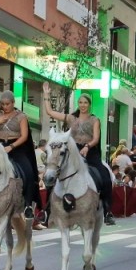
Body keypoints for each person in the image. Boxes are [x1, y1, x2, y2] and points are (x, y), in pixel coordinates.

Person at [43, 83, 116, 225]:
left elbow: (95, 138)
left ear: (89, 104)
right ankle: (47, 211)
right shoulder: (71, 118)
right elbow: (50, 113)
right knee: (54, 175)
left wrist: (87, 146)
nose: (83, 105)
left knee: (105, 176)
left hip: (90, 151)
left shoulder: (95, 120)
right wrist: (46, 95)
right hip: (73, 151)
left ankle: (107, 211)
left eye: (85, 103)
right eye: (80, 102)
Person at [0, 90, 41, 221]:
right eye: (3, 104)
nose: (5, 107)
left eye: (8, 104)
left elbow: (24, 136)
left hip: (16, 147)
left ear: (13, 103)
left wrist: (11, 146)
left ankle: (28, 205)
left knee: (28, 170)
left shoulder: (21, 116)